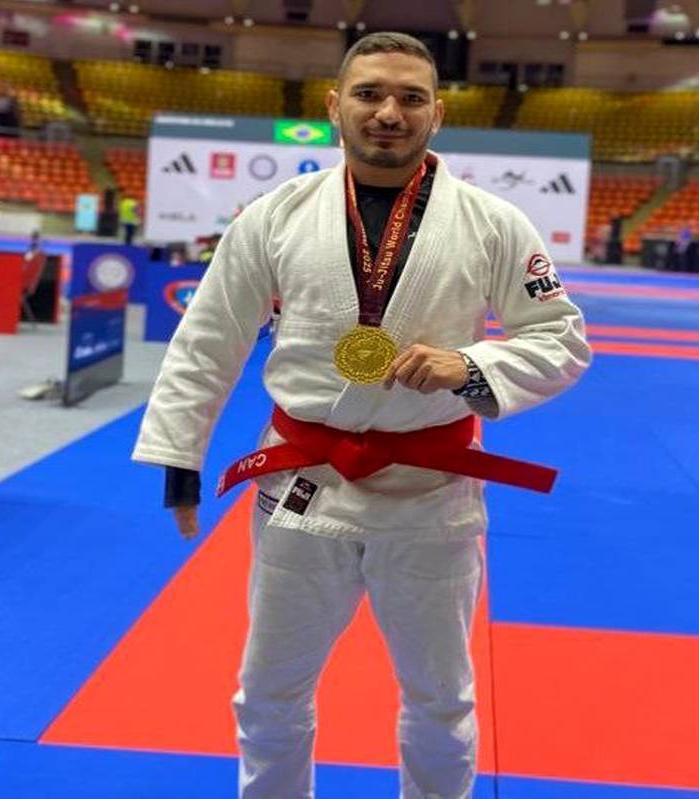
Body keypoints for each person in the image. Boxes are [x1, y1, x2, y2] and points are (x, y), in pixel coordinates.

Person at [132, 32, 590, 799]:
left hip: (431, 493)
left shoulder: (494, 222)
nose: (388, 112)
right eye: (370, 93)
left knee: (441, 698)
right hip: (302, 483)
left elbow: (561, 338)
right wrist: (180, 455)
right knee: (268, 691)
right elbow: (209, 337)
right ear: (333, 105)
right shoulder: (275, 215)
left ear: (437, 114)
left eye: (411, 98)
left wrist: (473, 365)